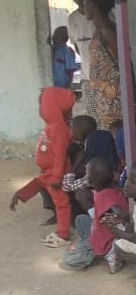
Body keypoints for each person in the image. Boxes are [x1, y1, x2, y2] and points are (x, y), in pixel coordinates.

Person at [10, 88, 76, 247]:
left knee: (62, 203)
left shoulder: (58, 128)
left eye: (42, 103)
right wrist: (21, 194)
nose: (40, 107)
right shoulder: (52, 126)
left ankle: (63, 234)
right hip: (48, 172)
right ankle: (20, 195)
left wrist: (57, 176)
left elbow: (61, 153)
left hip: (55, 173)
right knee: (40, 183)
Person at [60, 156, 128, 273]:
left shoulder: (104, 198)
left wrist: (96, 241)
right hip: (107, 230)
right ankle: (92, 247)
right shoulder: (114, 191)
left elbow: (107, 223)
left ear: (90, 180)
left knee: (68, 259)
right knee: (80, 220)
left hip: (107, 237)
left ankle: (110, 253)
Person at [84, 0, 121, 130]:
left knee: (114, 140)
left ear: (94, 6)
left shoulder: (108, 31)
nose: (83, 7)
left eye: (85, 3)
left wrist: (133, 100)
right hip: (102, 98)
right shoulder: (99, 31)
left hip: (113, 100)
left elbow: (125, 63)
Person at [63, 129, 119, 212]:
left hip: (108, 202)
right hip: (118, 201)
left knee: (81, 194)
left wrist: (74, 166)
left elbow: (67, 186)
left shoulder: (95, 167)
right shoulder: (118, 162)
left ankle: (96, 219)